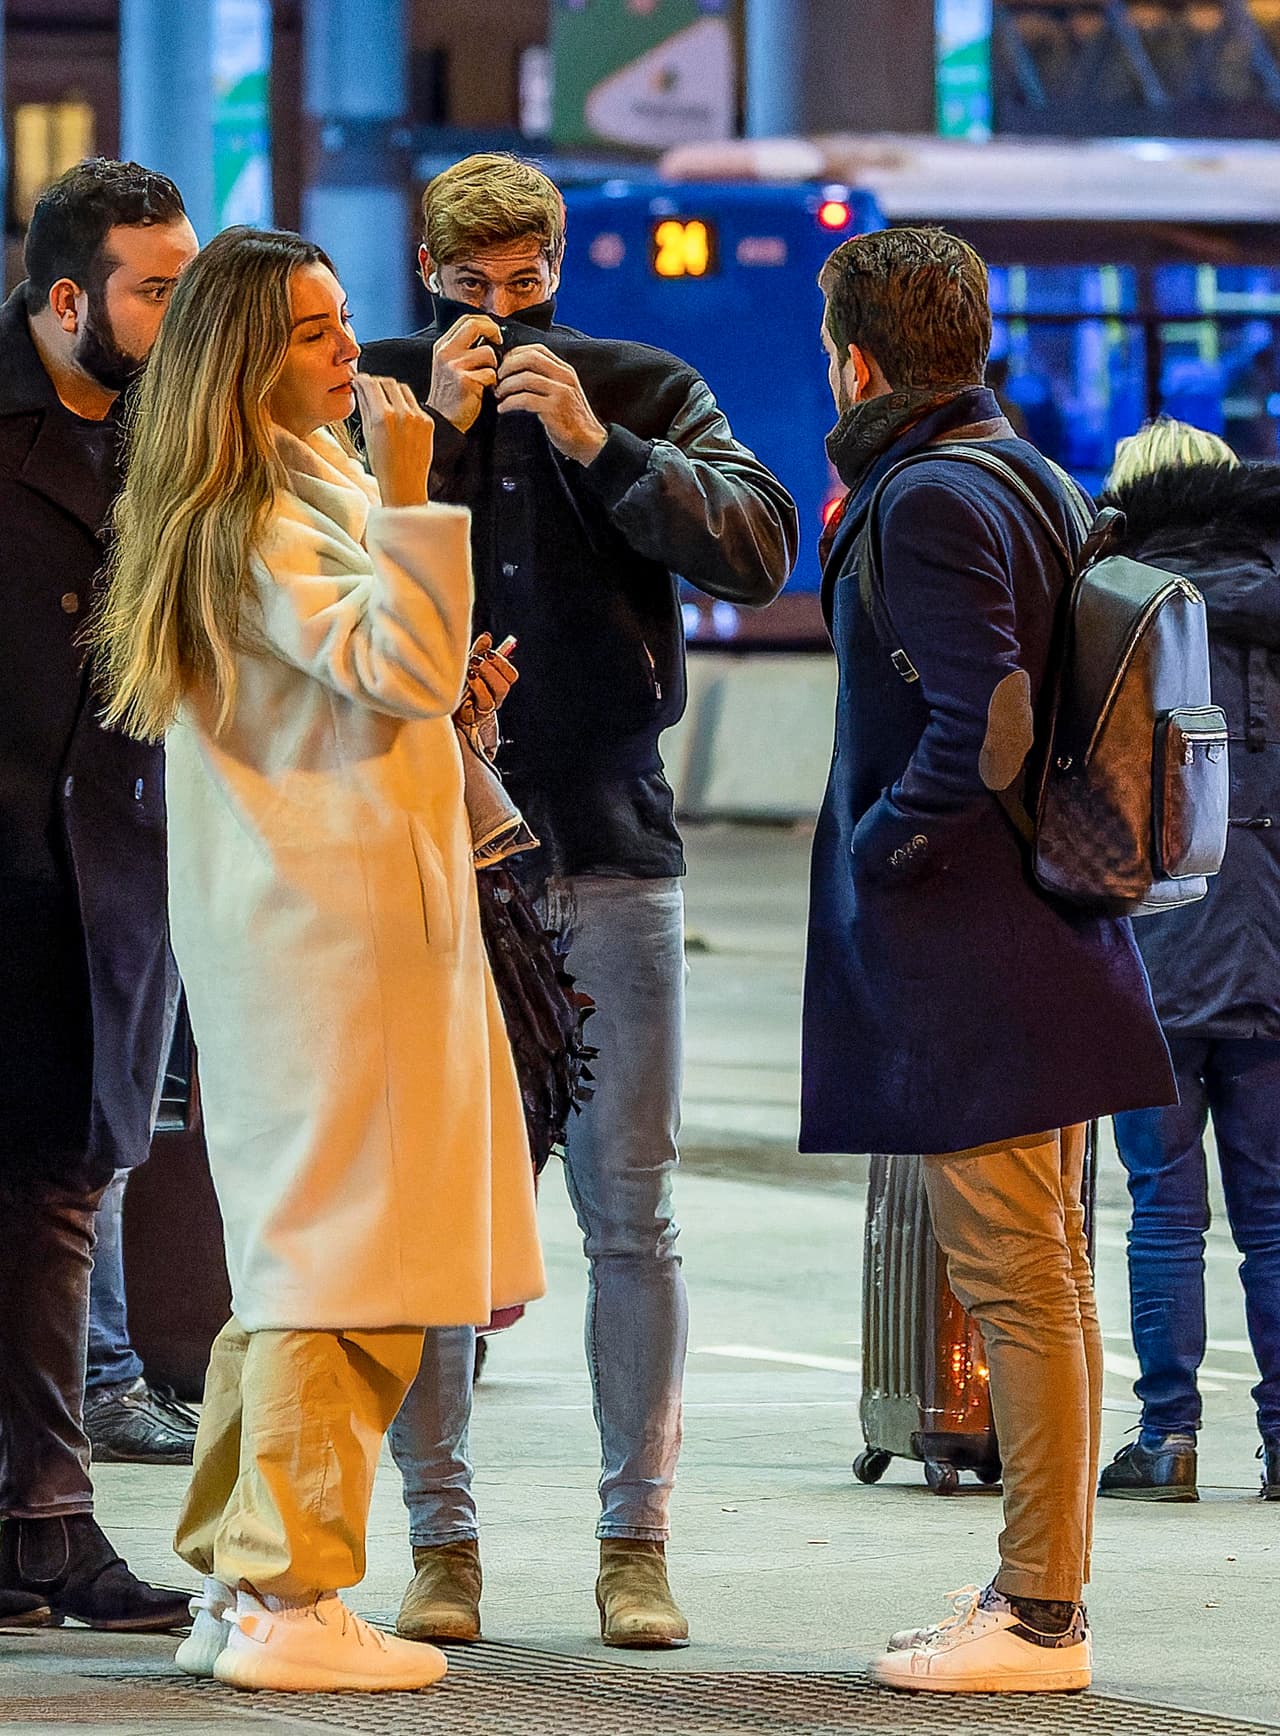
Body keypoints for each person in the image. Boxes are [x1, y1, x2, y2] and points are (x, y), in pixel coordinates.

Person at [91, 225, 545, 1694]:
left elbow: (381, 687)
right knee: (345, 1264)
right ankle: (292, 1595)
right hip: (335, 934)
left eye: (344, 321)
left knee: (312, 1254)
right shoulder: (265, 510)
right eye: (307, 333)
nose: (346, 351)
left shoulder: (273, 491)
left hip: (327, 921)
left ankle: (243, 1578)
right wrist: (420, 503)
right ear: (241, 360)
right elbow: (391, 665)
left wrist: (439, 680)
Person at [359, 151, 797, 1650]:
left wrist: (601, 442)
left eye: (525, 277)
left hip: (612, 833)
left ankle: (636, 1543)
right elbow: (305, 577)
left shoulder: (642, 382)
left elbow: (753, 544)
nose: (500, 304)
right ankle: (443, 1543)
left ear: (556, 262)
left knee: (635, 1213)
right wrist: (432, 445)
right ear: (430, 269)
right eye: (472, 284)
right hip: (422, 849)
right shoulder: (378, 388)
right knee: (433, 1216)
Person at [801, 227, 1176, 1694]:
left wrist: (889, 845)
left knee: (1020, 1280)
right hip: (1045, 927)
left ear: (859, 354)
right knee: (1048, 1277)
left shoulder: (929, 495)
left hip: (979, 944)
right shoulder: (1022, 469)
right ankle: (1037, 1591)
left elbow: (987, 719)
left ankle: (1039, 1618)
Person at [0, 158, 199, 1633]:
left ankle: (41, 1529)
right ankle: (47, 1526)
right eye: (155, 289)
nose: (178, 312)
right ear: (68, 298)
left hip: (116, 871)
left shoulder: (169, 443)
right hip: (13, 867)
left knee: (66, 1187)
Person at [1095, 419, 1280, 1504]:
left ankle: (1167, 1438)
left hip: (1151, 941)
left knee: (1163, 1205)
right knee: (1271, 1211)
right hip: (1271, 948)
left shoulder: (1120, 610)